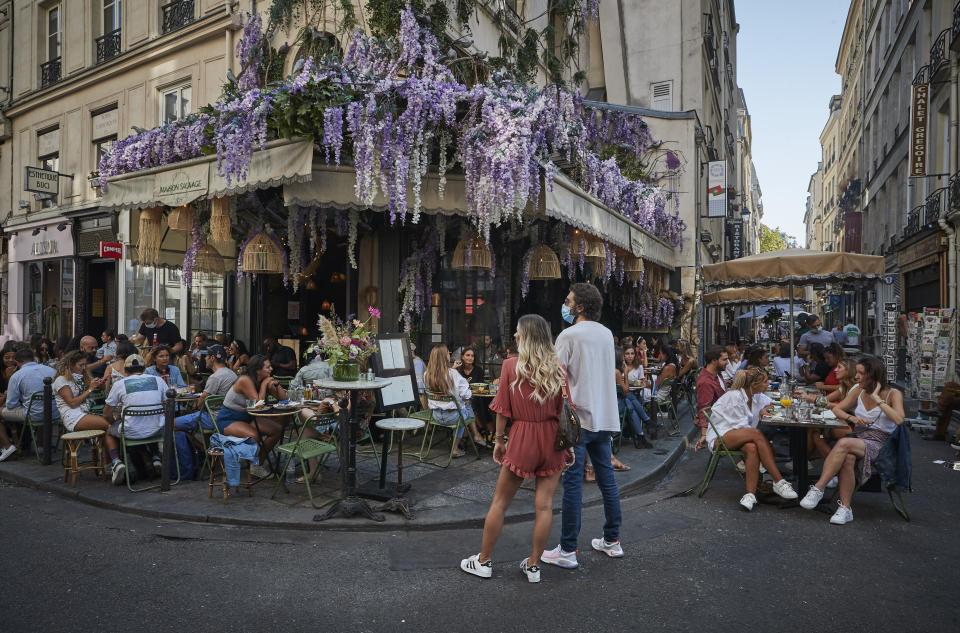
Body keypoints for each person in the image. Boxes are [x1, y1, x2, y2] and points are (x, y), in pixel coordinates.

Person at [460, 315, 575, 583]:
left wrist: (499, 440)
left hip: (522, 435)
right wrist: (567, 446)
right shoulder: (557, 367)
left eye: (517, 332)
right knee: (544, 507)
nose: (514, 336)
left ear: (526, 336)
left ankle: (484, 560)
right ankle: (534, 565)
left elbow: (502, 408)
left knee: (500, 502)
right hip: (551, 437)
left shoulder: (511, 366)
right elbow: (563, 410)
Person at [542, 283, 625, 569]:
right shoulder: (606, 335)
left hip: (576, 420)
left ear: (579, 307)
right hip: (604, 417)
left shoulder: (568, 335)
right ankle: (612, 541)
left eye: (568, 301)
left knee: (573, 484)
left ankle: (567, 550)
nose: (564, 305)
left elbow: (554, 374)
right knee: (607, 481)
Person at [800, 355, 905, 524]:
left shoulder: (893, 394)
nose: (856, 377)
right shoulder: (858, 389)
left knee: (844, 443)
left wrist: (878, 400)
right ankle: (846, 509)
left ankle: (819, 488)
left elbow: (899, 419)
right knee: (848, 457)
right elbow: (837, 410)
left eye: (860, 373)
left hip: (882, 443)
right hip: (859, 437)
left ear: (873, 375)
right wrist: (853, 419)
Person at [705, 367, 799, 510]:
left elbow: (772, 402)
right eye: (765, 382)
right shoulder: (735, 396)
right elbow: (742, 429)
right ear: (754, 385)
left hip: (740, 436)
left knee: (752, 447)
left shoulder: (755, 396)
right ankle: (778, 480)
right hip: (721, 437)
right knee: (756, 434)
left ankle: (750, 495)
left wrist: (764, 409)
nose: (768, 384)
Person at [52, 350, 127, 484]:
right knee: (109, 425)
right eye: (80, 365)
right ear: (70, 365)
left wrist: (100, 384)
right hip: (72, 416)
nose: (83, 368)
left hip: (85, 412)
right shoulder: (61, 380)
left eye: (84, 365)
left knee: (112, 425)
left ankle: (111, 464)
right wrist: (90, 389)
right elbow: (73, 403)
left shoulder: (79, 377)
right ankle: (115, 462)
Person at [218, 355, 286, 477]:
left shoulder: (262, 380)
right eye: (268, 367)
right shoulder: (245, 380)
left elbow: (284, 400)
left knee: (277, 430)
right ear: (257, 370)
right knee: (254, 436)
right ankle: (255, 465)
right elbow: (258, 405)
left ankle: (257, 464)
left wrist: (277, 384)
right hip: (229, 419)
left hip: (248, 418)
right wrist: (265, 384)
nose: (271, 369)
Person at [102, 354, 169, 477]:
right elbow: (169, 403)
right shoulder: (158, 380)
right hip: (158, 430)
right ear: (144, 369)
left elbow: (106, 413)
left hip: (131, 432)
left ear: (126, 371)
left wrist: (113, 421)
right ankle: (155, 457)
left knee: (108, 431)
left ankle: (116, 462)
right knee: (150, 421)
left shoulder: (120, 384)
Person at [0, 347, 59, 461]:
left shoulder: (17, 375)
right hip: (55, 413)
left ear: (17, 362)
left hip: (34, 415)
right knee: (40, 406)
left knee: (35, 408)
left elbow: (11, 405)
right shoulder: (51, 370)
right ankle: (40, 445)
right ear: (33, 359)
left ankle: (7, 446)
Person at [424, 344, 478, 454]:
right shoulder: (453, 374)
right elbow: (467, 395)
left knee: (462, 406)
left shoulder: (427, 374)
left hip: (436, 416)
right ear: (444, 356)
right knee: (465, 408)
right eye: (448, 352)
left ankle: (474, 436)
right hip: (453, 417)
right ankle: (456, 448)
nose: (449, 354)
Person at [174, 345, 237, 432]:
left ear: (212, 358)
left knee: (172, 424)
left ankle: (194, 445)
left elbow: (201, 403)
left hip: (213, 418)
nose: (205, 358)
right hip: (228, 416)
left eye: (206, 356)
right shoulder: (232, 374)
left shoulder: (215, 377)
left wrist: (196, 404)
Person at [616, 347, 652, 449]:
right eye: (627, 354)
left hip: (632, 396)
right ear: (621, 356)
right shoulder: (617, 371)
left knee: (630, 403)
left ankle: (641, 436)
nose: (630, 356)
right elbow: (625, 390)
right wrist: (626, 374)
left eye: (632, 353)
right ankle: (646, 421)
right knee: (630, 403)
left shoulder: (638, 366)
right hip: (621, 399)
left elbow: (642, 382)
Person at [694, 346, 728, 451]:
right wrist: (704, 434)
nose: (727, 362)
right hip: (722, 424)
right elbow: (704, 408)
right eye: (724, 359)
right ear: (714, 360)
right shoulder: (706, 382)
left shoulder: (717, 373)